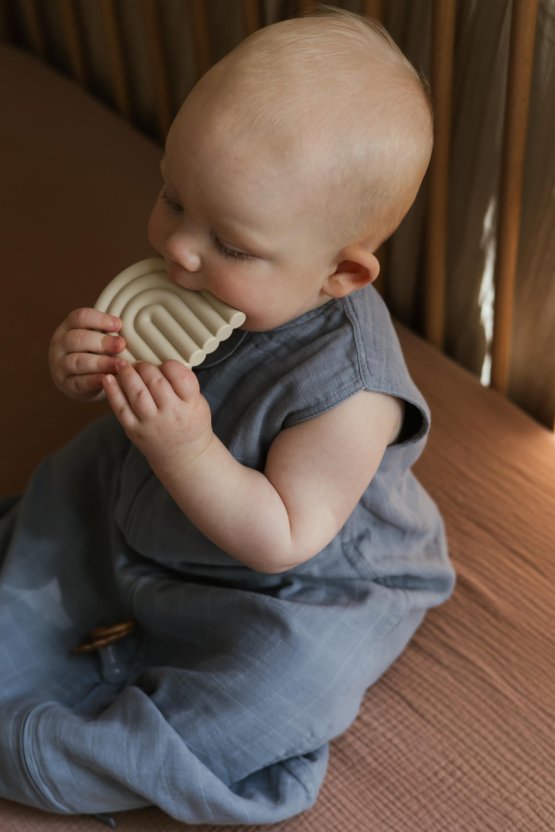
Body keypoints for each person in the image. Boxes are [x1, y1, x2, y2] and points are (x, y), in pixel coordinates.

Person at [0, 8, 455, 824]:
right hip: (148, 494)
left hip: (286, 577)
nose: (178, 251)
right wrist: (81, 364)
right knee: (55, 511)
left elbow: (282, 535)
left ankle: (50, 753)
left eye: (231, 244)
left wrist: (184, 451)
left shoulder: (351, 395)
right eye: (173, 198)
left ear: (340, 273)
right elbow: (134, 361)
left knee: (278, 689)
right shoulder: (207, 268)